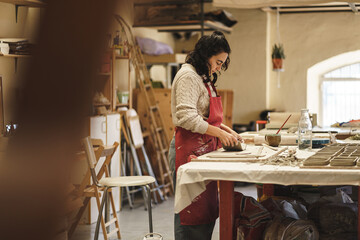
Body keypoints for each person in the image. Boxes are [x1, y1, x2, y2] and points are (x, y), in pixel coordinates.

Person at [169, 31, 242, 240]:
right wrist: (218, 131)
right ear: (206, 54)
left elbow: (205, 116)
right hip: (188, 152)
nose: (219, 67)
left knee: (206, 213)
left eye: (222, 64)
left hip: (203, 150)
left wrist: (225, 129)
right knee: (191, 214)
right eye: (218, 62)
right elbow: (186, 117)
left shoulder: (203, 77)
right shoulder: (188, 76)